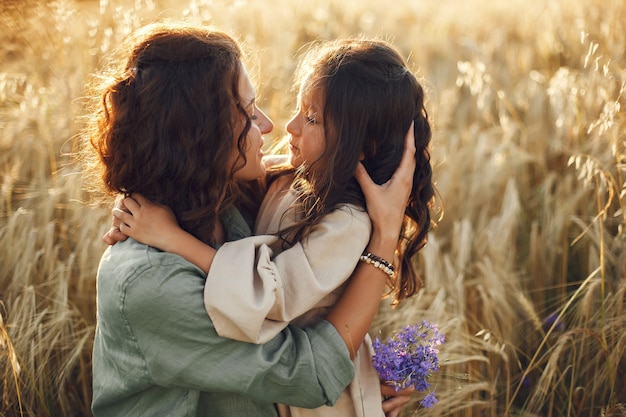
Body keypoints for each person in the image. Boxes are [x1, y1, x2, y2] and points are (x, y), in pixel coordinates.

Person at [84, 22, 417, 417]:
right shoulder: (153, 283)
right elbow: (310, 374)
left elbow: (304, 305)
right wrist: (384, 239)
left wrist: (362, 375)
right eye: (247, 110)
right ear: (199, 135)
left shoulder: (229, 201)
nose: (270, 126)